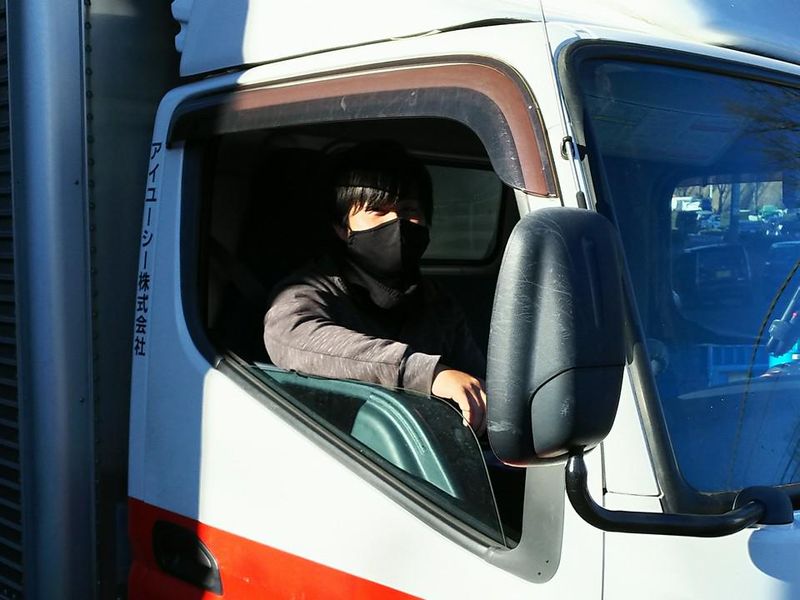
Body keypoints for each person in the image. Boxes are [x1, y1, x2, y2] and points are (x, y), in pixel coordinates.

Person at [263, 142, 488, 433]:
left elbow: (478, 380)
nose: (397, 222)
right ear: (342, 228)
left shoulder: (437, 302)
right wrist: (427, 374)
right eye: (377, 211)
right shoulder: (308, 291)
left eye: (408, 210)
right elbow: (291, 338)